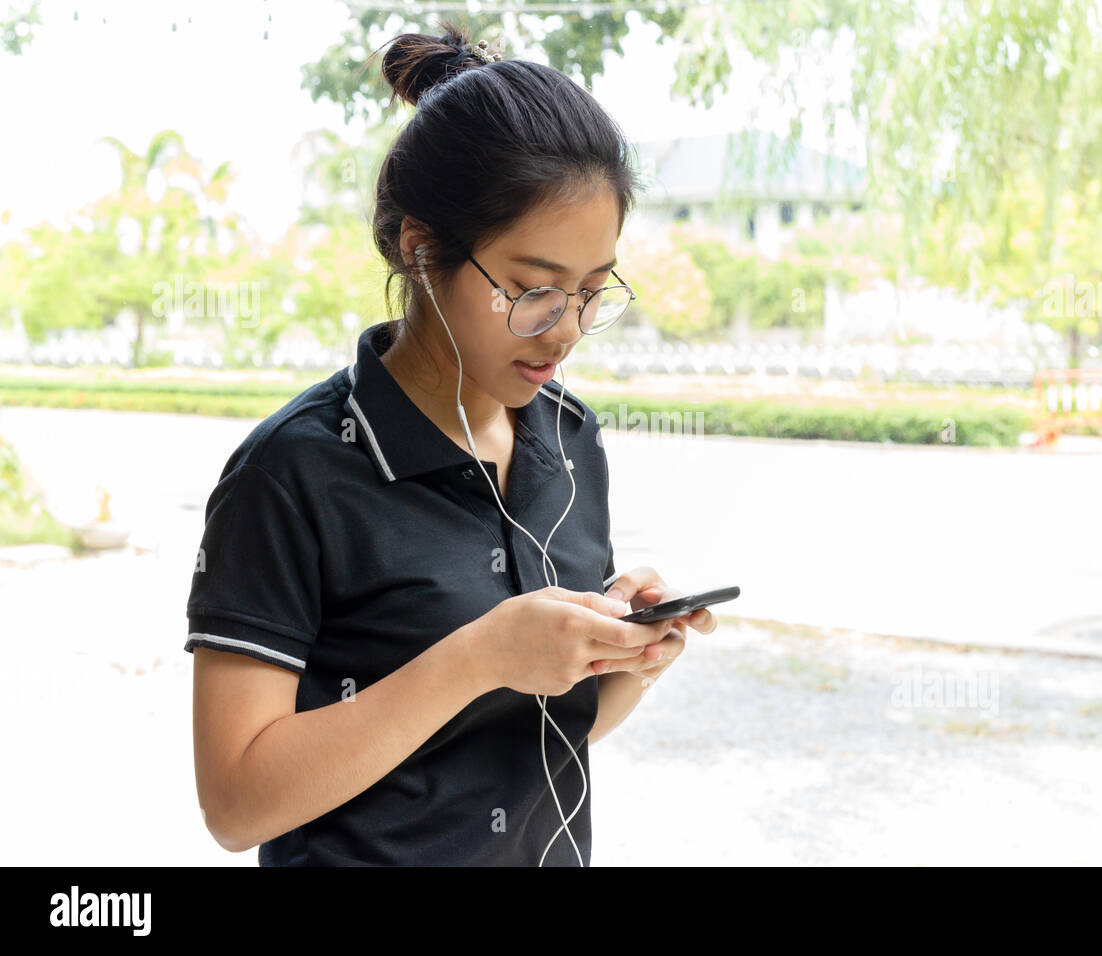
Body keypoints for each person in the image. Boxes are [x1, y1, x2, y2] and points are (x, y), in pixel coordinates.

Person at [184, 21, 716, 866]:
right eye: (533, 288)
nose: (567, 329)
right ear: (421, 246)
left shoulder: (571, 439)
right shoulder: (293, 471)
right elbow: (236, 803)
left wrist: (627, 658)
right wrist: (476, 657)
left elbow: (540, 739)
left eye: (591, 289)